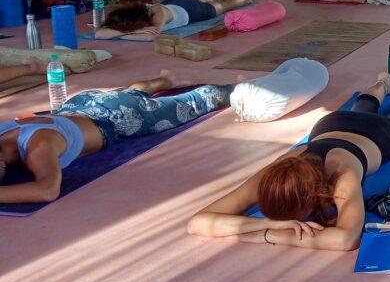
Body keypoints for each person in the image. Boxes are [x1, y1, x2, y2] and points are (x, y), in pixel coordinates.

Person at [187, 73, 390, 251]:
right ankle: (383, 83)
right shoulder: (273, 176)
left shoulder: (342, 175)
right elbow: (197, 222)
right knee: (360, 109)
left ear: (310, 197)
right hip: (332, 124)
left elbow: (346, 240)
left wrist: (262, 235)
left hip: (380, 133)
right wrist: (267, 225)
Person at [0, 70, 233, 203]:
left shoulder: (38, 147)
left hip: (117, 116)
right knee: (132, 95)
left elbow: (47, 190)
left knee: (197, 102)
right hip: (80, 104)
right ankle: (164, 81)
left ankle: (243, 87)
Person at [94, 0, 251, 41]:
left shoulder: (158, 13)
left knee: (223, 5)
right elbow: (99, 34)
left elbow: (151, 36)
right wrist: (126, 33)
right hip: (172, 2)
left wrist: (121, 34)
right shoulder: (130, 19)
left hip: (191, 11)